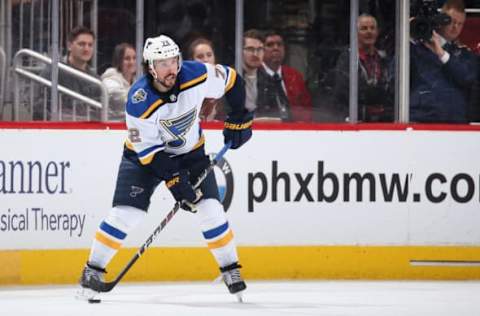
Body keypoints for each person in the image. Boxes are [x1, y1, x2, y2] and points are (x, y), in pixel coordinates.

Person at [78, 34, 252, 300]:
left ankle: (231, 269)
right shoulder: (139, 100)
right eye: (163, 63)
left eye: (174, 61)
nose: (171, 68)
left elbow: (232, 80)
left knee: (211, 210)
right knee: (127, 213)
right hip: (144, 159)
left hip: (190, 153)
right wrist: (173, 180)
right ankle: (93, 270)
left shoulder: (196, 74)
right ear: (150, 67)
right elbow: (149, 151)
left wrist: (239, 116)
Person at [410, 1, 477, 123]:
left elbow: (467, 77)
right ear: (440, 21)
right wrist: (406, 38)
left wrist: (441, 53)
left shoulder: (464, 54)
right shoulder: (414, 49)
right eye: (451, 21)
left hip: (455, 123)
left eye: (460, 24)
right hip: (422, 120)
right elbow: (395, 77)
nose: (455, 27)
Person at [333, 14, 393, 122]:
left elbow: (391, 89)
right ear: (355, 33)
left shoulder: (383, 58)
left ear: (377, 32)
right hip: (354, 120)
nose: (369, 32)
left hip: (382, 122)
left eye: (372, 28)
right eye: (364, 28)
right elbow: (343, 93)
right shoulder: (347, 58)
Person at [34, 26, 101, 121]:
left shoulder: (96, 80)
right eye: (81, 44)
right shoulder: (53, 72)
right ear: (69, 46)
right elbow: (39, 108)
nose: (86, 49)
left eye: (90, 45)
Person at [260, 30, 313, 122]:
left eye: (279, 44)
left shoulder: (295, 76)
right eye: (270, 45)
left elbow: (307, 110)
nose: (276, 48)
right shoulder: (254, 75)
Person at [187, 37, 223, 121]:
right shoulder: (185, 88)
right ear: (191, 61)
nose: (206, 59)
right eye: (200, 56)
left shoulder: (224, 84)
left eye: (209, 55)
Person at [101, 43, 137, 121]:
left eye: (134, 58)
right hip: (112, 129)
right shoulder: (109, 80)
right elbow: (125, 102)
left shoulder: (136, 83)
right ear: (119, 61)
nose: (132, 62)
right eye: (127, 59)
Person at [242, 29, 266, 114]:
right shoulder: (229, 77)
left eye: (259, 49)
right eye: (250, 49)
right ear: (241, 51)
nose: (255, 54)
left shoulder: (268, 80)